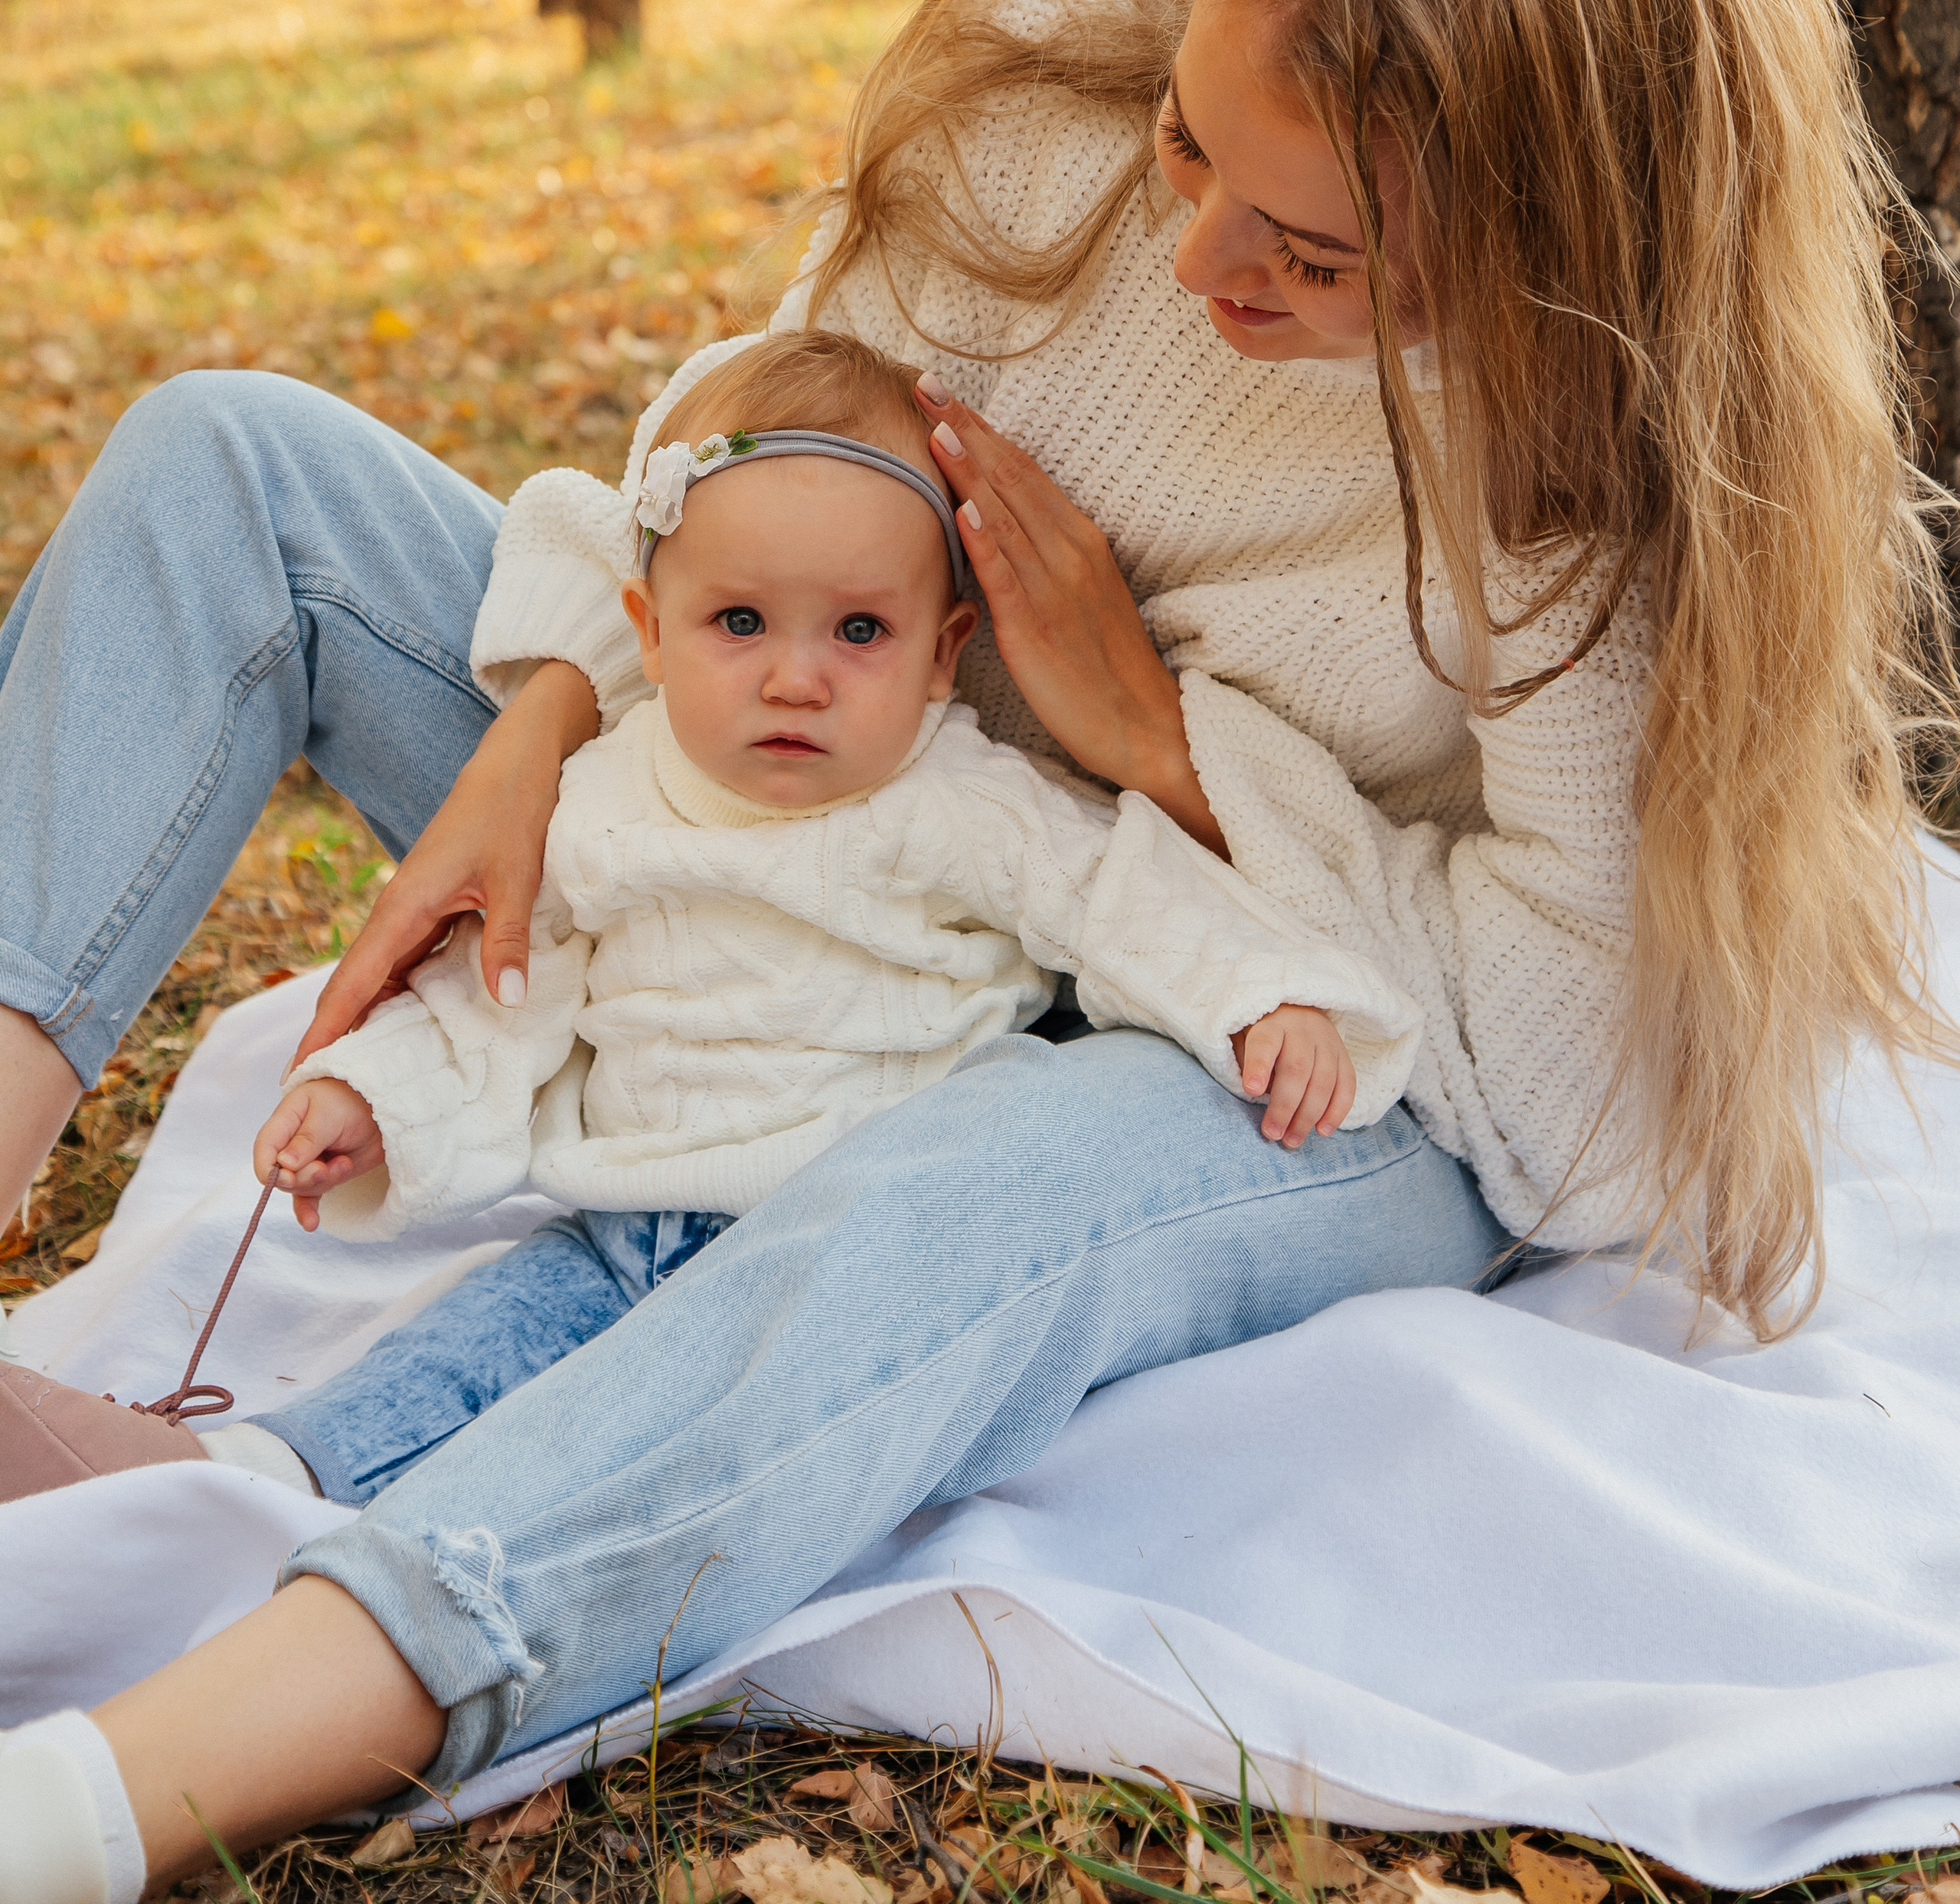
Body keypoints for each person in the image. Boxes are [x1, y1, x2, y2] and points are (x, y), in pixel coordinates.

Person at [0, 0, 1950, 1904]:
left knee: (961, 1194)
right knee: (232, 470)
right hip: (824, 809)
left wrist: (1161, 749)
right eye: (1195, 155)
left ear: (1536, 244)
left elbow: (1578, 1119)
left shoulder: (1601, 496)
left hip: (1246, 1047)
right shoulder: (1046, 104)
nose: (1205, 269)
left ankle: (134, 1778)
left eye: (1317, 257)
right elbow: (753, 444)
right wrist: (553, 714)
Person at [0, 335, 1415, 1504]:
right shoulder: (605, 804)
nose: (796, 679)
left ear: (943, 656)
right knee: (471, 1355)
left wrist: (1261, 998)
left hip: (856, 1231)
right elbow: (508, 992)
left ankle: (309, 1508)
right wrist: (371, 1096)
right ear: (648, 627)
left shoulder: (965, 802)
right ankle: (237, 1481)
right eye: (740, 625)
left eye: (857, 634)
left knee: (631, 1416)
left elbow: (1129, 895)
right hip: (632, 1218)